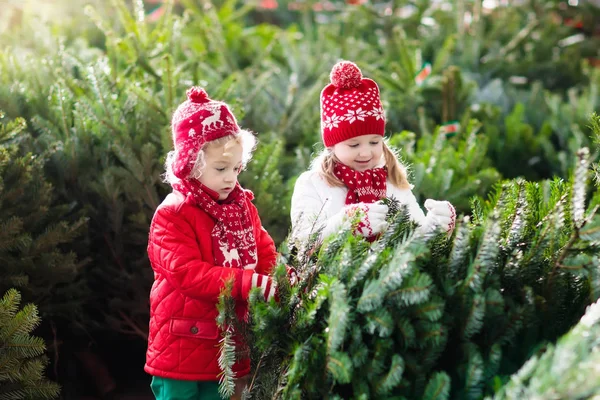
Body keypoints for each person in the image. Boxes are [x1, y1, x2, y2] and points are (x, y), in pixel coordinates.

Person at [145, 87, 278, 400]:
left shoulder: (242, 207)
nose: (231, 178)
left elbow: (263, 250)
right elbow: (187, 274)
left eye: (236, 168)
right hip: (182, 344)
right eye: (221, 168)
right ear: (191, 163)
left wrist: (279, 280)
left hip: (229, 347)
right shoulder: (173, 213)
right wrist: (249, 282)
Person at [290, 61, 456, 242]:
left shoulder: (392, 182)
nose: (366, 153)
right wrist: (347, 223)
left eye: (374, 142)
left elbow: (415, 241)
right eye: (354, 145)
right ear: (332, 146)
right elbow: (301, 240)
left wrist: (435, 226)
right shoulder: (313, 184)